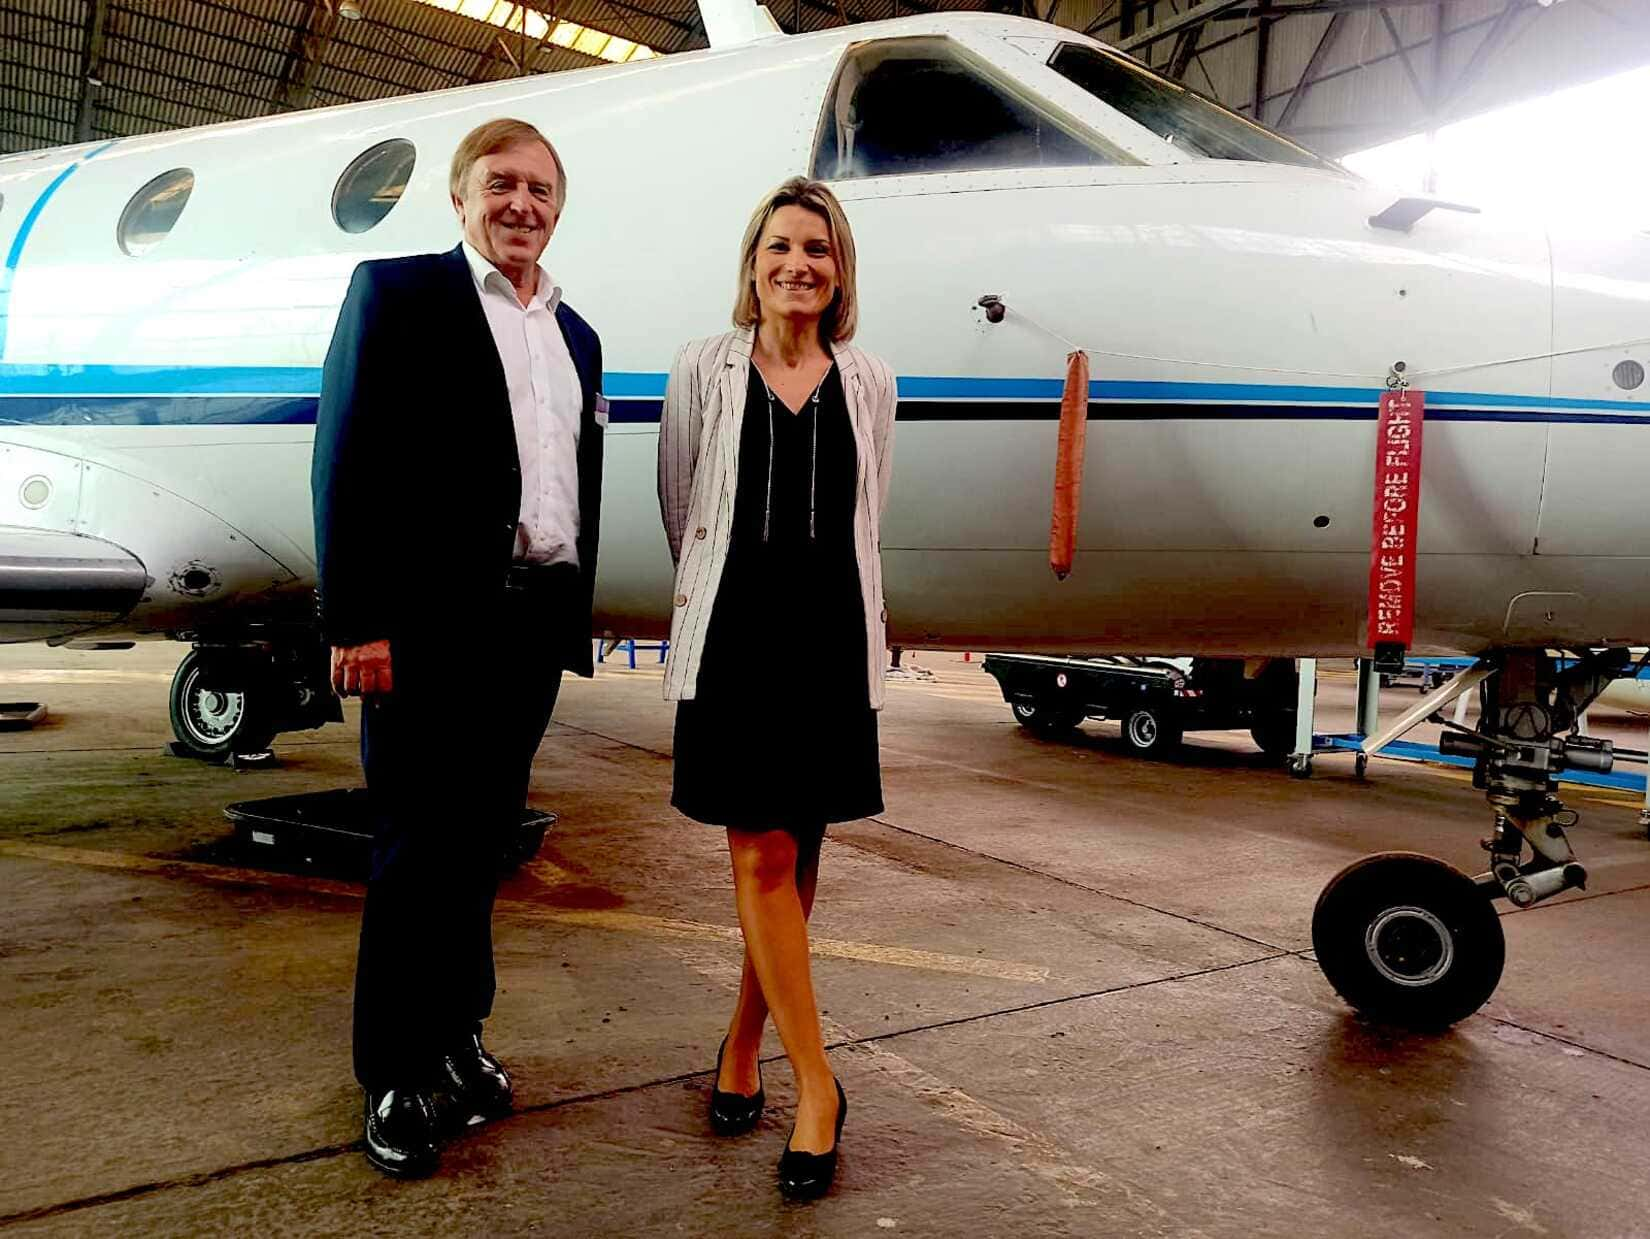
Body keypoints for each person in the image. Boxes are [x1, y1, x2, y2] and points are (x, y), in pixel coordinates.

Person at [311, 117, 604, 1179]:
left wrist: (573, 608)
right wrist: (357, 620)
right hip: (426, 628)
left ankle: (456, 1039)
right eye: (501, 184)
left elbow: (570, 482)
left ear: (557, 207)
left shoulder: (577, 338)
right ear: (460, 196)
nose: (521, 204)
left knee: (481, 848)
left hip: (529, 621)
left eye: (539, 188)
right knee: (414, 851)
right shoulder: (399, 295)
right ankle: (391, 1070)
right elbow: (348, 456)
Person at [657, 176, 897, 1200]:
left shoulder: (872, 380)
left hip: (830, 642)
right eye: (781, 246)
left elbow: (867, 510)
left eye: (820, 250)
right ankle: (817, 1084)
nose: (799, 264)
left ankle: (743, 1044)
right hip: (737, 640)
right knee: (759, 854)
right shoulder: (702, 369)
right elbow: (681, 502)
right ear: (753, 263)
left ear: (839, 273)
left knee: (795, 866)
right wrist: (722, 598)